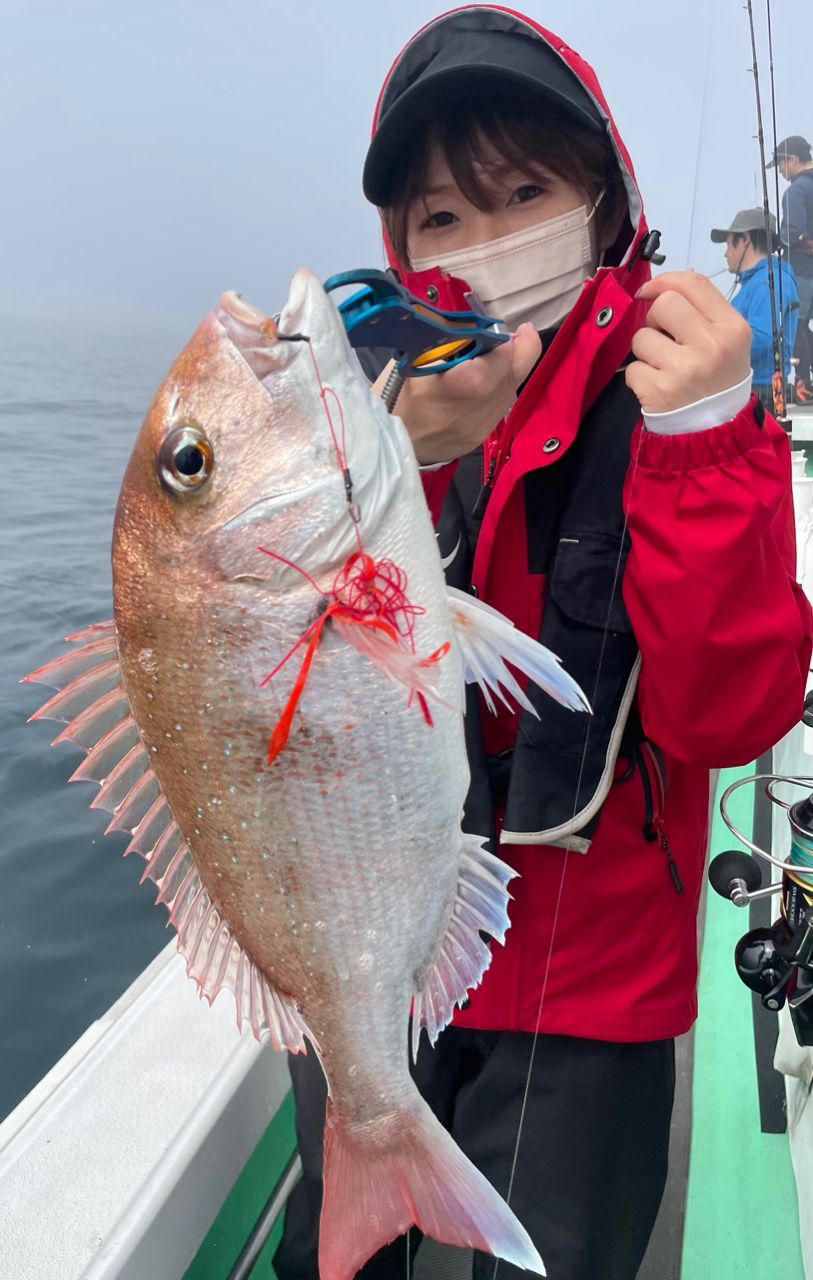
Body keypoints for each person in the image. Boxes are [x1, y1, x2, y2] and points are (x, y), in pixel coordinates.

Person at [275, 9, 813, 1280]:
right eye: (443, 217)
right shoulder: (357, 421)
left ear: (604, 201)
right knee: (335, 1250)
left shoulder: (677, 399)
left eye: (524, 193)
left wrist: (710, 444)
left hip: (587, 973)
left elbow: (727, 718)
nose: (483, 241)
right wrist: (379, 468)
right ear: (400, 250)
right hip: (374, 949)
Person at [710, 207, 799, 411]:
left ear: (745, 240)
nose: (725, 253)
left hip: (760, 395)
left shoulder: (766, 282)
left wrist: (712, 348)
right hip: (754, 392)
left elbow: (761, 340)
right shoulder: (760, 282)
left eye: (728, 243)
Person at [768, 135, 813, 402]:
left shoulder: (796, 191)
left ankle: (802, 386)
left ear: (793, 160)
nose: (781, 171)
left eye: (781, 164)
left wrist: (774, 239)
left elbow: (792, 234)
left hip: (802, 270)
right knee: (805, 326)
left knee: (796, 325)